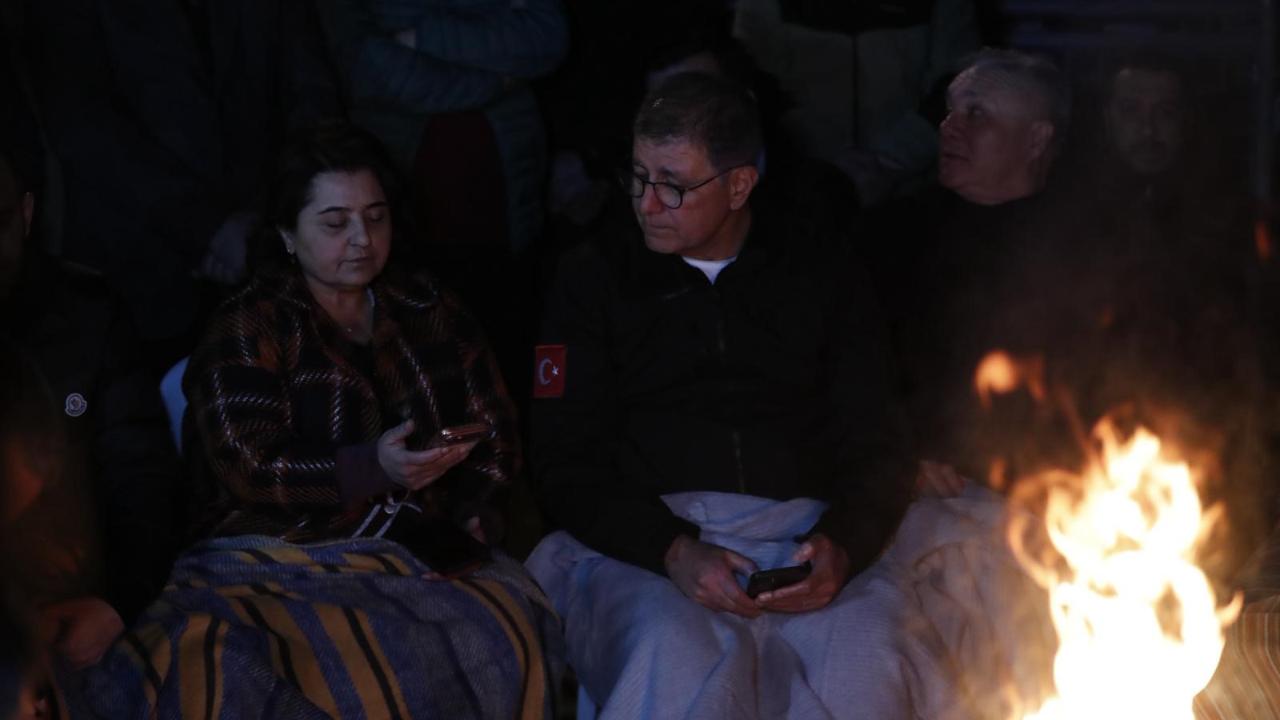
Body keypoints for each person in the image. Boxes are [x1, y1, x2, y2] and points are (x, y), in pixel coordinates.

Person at [84, 124, 560, 719]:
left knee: (502, 630)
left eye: (376, 217)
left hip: (415, 548)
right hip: (272, 551)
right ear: (288, 232)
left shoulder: (427, 306)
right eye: (336, 223)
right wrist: (372, 468)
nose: (361, 239)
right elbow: (248, 463)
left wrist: (474, 513)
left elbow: (493, 429)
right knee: (253, 667)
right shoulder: (249, 325)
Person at [526, 72, 914, 717]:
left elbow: (878, 436)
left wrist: (845, 540)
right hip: (647, 542)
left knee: (865, 669)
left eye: (674, 186)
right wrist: (672, 549)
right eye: (638, 177)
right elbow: (564, 460)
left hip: (804, 531)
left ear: (739, 184)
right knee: (677, 664)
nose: (648, 203)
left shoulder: (821, 271)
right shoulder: (593, 277)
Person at [21, 0, 343, 370]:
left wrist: (290, 216)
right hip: (138, 273)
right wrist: (209, 228)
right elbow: (83, 128)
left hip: (269, 256)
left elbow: (311, 92)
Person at [858, 48, 1077, 490]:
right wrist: (900, 453)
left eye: (976, 114)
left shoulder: (1085, 246)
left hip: (1053, 489)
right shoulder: (888, 236)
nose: (949, 128)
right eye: (949, 112)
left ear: (1036, 139)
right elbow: (855, 371)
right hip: (920, 482)